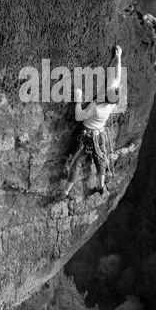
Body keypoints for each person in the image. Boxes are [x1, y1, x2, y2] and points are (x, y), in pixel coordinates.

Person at [55, 45, 122, 201]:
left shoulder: (96, 107)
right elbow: (117, 77)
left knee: (76, 162)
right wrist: (119, 57)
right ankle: (101, 185)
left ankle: (66, 191)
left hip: (87, 136)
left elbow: (79, 117)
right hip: (100, 135)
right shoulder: (111, 102)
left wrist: (78, 100)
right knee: (100, 159)